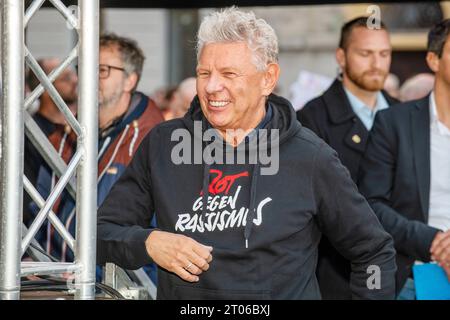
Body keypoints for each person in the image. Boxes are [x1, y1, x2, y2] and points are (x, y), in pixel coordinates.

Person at [97, 7, 396, 300]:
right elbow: (100, 234)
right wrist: (149, 242)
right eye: (204, 72)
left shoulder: (310, 157)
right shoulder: (163, 143)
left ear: (267, 79)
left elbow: (372, 250)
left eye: (229, 73)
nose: (213, 86)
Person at [34, 34, 164, 273]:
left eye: (102, 70)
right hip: (55, 282)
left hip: (116, 289)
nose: (89, 77)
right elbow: (37, 209)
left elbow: (149, 235)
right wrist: (37, 263)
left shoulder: (151, 141)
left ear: (129, 80)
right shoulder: (65, 135)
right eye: (83, 68)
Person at [296, 17, 399, 299]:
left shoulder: (404, 115)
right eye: (365, 53)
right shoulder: (311, 119)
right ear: (341, 56)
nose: (377, 63)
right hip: (340, 276)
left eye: (384, 53)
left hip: (406, 270)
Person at [358, 19, 450, 300]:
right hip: (416, 274)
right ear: (433, 60)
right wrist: (434, 241)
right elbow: (371, 205)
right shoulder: (393, 123)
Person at [24, 58, 78, 231]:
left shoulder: (80, 130)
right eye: (66, 78)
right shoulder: (29, 133)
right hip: (42, 229)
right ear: (43, 87)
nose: (76, 81)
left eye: (74, 75)